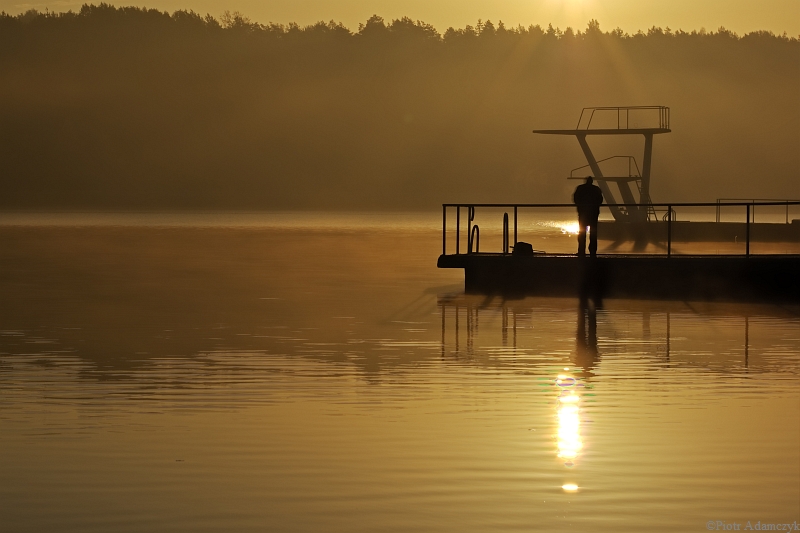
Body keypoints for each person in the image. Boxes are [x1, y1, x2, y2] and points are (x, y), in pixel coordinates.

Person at [573, 176, 604, 257]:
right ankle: (593, 252)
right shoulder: (596, 189)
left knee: (582, 233)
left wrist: (580, 207)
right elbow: (600, 200)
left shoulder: (580, 188)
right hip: (593, 214)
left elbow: (576, 199)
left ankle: (581, 251)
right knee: (593, 233)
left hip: (583, 214)